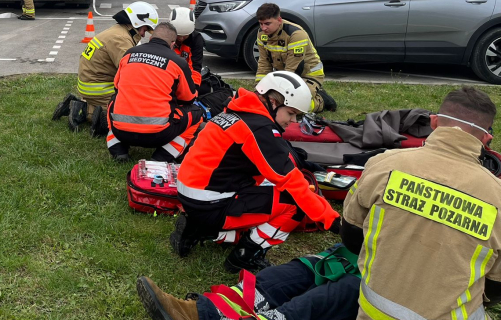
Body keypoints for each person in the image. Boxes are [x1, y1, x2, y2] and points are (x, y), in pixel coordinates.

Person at [342, 87, 501, 320]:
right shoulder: (497, 197)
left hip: (375, 310)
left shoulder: (382, 165)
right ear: (487, 139)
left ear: (434, 122)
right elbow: (496, 287)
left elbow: (351, 236)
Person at [172, 71, 340, 272]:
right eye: (291, 113)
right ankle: (245, 255)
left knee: (267, 186)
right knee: (294, 204)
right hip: (211, 203)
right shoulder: (260, 128)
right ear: (273, 101)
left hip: (192, 193)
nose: (293, 121)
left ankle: (202, 229)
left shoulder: (238, 110)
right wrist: (333, 221)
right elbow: (291, 181)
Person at [136, 242, 362, 320]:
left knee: (331, 296)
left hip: (386, 280)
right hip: (359, 254)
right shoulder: (386, 164)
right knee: (290, 274)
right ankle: (202, 312)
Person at [53, 2, 159, 134]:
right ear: (137, 23)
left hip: (92, 85)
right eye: (145, 29)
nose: (144, 35)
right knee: (128, 114)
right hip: (99, 88)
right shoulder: (120, 39)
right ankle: (85, 112)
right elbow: (131, 72)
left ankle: (79, 105)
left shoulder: (118, 31)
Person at [106, 22, 205, 163]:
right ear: (172, 44)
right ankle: (163, 156)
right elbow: (188, 98)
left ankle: (117, 148)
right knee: (196, 113)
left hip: (121, 130)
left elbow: (117, 87)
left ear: (151, 38)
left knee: (112, 102)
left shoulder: (129, 54)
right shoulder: (177, 62)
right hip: (159, 134)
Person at [255, 4, 335, 113]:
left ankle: (321, 101)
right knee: (264, 102)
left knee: (292, 106)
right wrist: (259, 89)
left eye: (267, 24)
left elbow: (291, 70)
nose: (263, 28)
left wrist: (280, 93)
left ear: (279, 20)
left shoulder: (296, 34)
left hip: (308, 75)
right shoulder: (261, 34)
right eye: (261, 24)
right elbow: (264, 63)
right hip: (284, 75)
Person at [170, 6, 204, 89]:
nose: (181, 38)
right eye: (178, 36)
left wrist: (194, 88)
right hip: (169, 75)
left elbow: (196, 67)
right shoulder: (165, 36)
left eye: (185, 36)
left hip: (187, 77)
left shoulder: (196, 39)